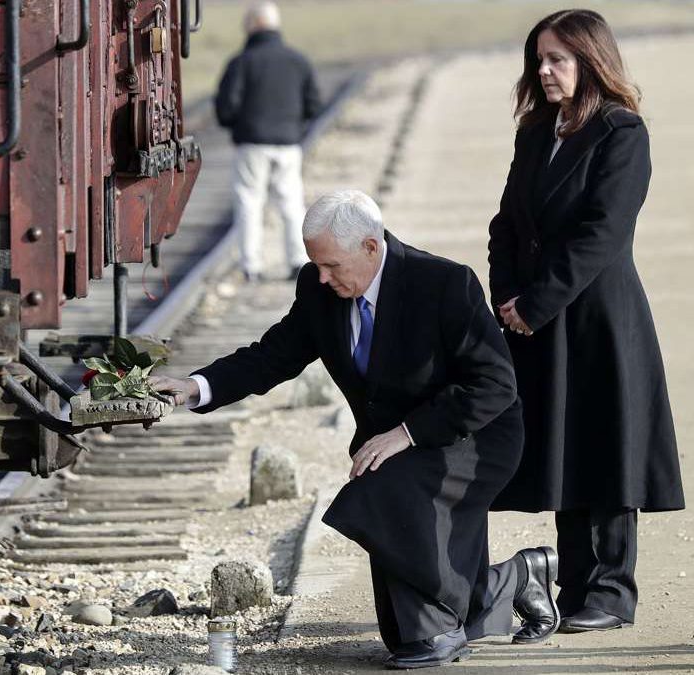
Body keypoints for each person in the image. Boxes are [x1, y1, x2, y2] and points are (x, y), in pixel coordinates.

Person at [151, 190, 559, 668]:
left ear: (371, 246)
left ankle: (440, 632)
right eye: (316, 265)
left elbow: (494, 384)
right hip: (389, 445)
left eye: (332, 265)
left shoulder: (444, 283)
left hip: (471, 434)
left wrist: (406, 433)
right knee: (396, 629)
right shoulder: (319, 287)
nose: (322, 277)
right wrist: (195, 386)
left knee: (376, 493)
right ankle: (516, 579)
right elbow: (272, 356)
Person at [487, 9, 684, 633]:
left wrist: (537, 301)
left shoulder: (622, 133)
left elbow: (602, 234)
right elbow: (505, 226)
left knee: (608, 448)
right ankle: (573, 588)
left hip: (600, 317)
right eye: (539, 59)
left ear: (590, 61)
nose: (544, 71)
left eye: (557, 59)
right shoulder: (535, 133)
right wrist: (508, 297)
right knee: (563, 450)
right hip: (540, 322)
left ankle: (610, 593)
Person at [215, 1, 320, 282]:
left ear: (251, 25)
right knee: (291, 203)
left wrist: (236, 127)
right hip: (288, 144)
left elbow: (226, 108)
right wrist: (294, 127)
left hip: (251, 144)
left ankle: (252, 266)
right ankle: (298, 261)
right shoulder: (298, 60)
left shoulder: (241, 62)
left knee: (249, 202)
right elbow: (313, 104)